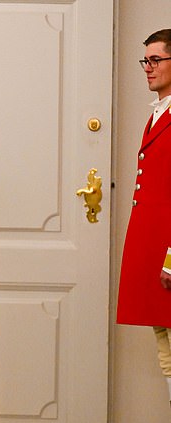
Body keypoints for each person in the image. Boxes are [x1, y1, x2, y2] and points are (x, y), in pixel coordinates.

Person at [116, 28, 171, 405]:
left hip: (168, 255)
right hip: (155, 253)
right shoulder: (158, 113)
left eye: (156, 60)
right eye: (145, 60)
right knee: (165, 346)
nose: (148, 68)